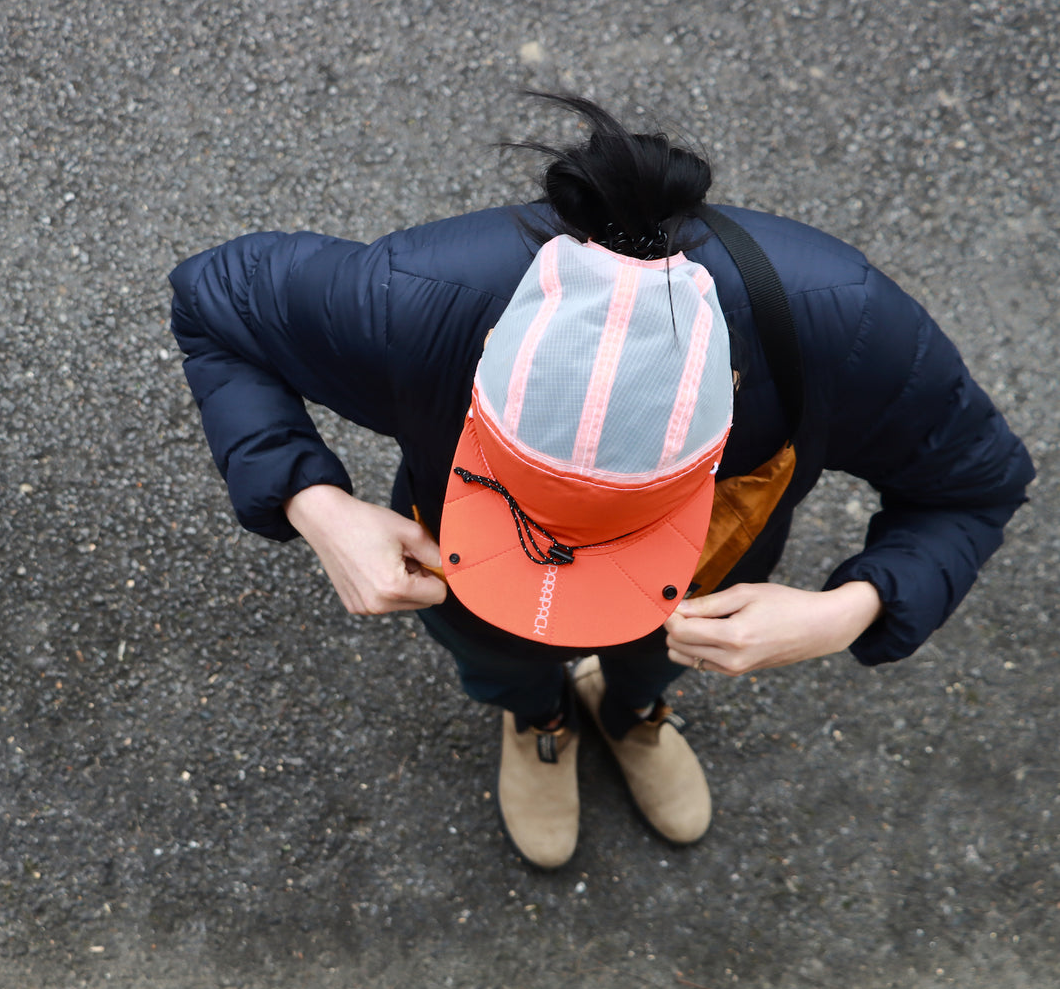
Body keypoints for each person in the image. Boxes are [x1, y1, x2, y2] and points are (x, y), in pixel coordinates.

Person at [168, 95, 1034, 871]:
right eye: (530, 499)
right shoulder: (413, 300)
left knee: (657, 655)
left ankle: (634, 710)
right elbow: (213, 301)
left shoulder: (844, 325)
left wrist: (851, 610)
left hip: (701, 581)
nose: (566, 561)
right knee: (494, 649)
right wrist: (314, 502)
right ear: (484, 367)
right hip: (469, 578)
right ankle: (535, 716)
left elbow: (973, 485)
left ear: (729, 405)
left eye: (629, 520)